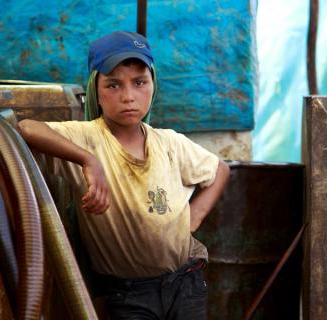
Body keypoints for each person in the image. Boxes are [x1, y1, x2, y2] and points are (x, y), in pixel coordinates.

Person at [18, 31, 230, 319]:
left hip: (185, 282)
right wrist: (88, 160)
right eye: (113, 85)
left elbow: (219, 169)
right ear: (96, 90)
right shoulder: (87, 138)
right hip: (127, 294)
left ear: (153, 85)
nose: (129, 96)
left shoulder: (169, 143)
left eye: (140, 82)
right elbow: (27, 128)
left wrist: (195, 216)